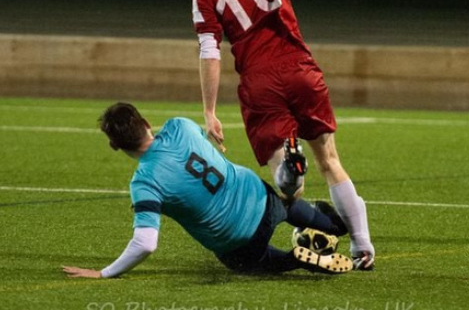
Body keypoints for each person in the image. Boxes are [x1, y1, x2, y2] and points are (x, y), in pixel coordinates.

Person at [191, 0, 405, 270]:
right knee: (331, 161)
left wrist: (209, 110)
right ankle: (363, 248)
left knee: (290, 190)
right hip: (300, 69)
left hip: (259, 82)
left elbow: (209, 51)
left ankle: (290, 171)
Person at [62, 102, 352, 279]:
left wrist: (104, 272)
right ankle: (332, 225)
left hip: (238, 240)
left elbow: (146, 243)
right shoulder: (180, 126)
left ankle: (294, 257)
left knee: (254, 264)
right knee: (286, 204)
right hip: (259, 196)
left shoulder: (144, 183)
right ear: (148, 123)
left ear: (115, 146)